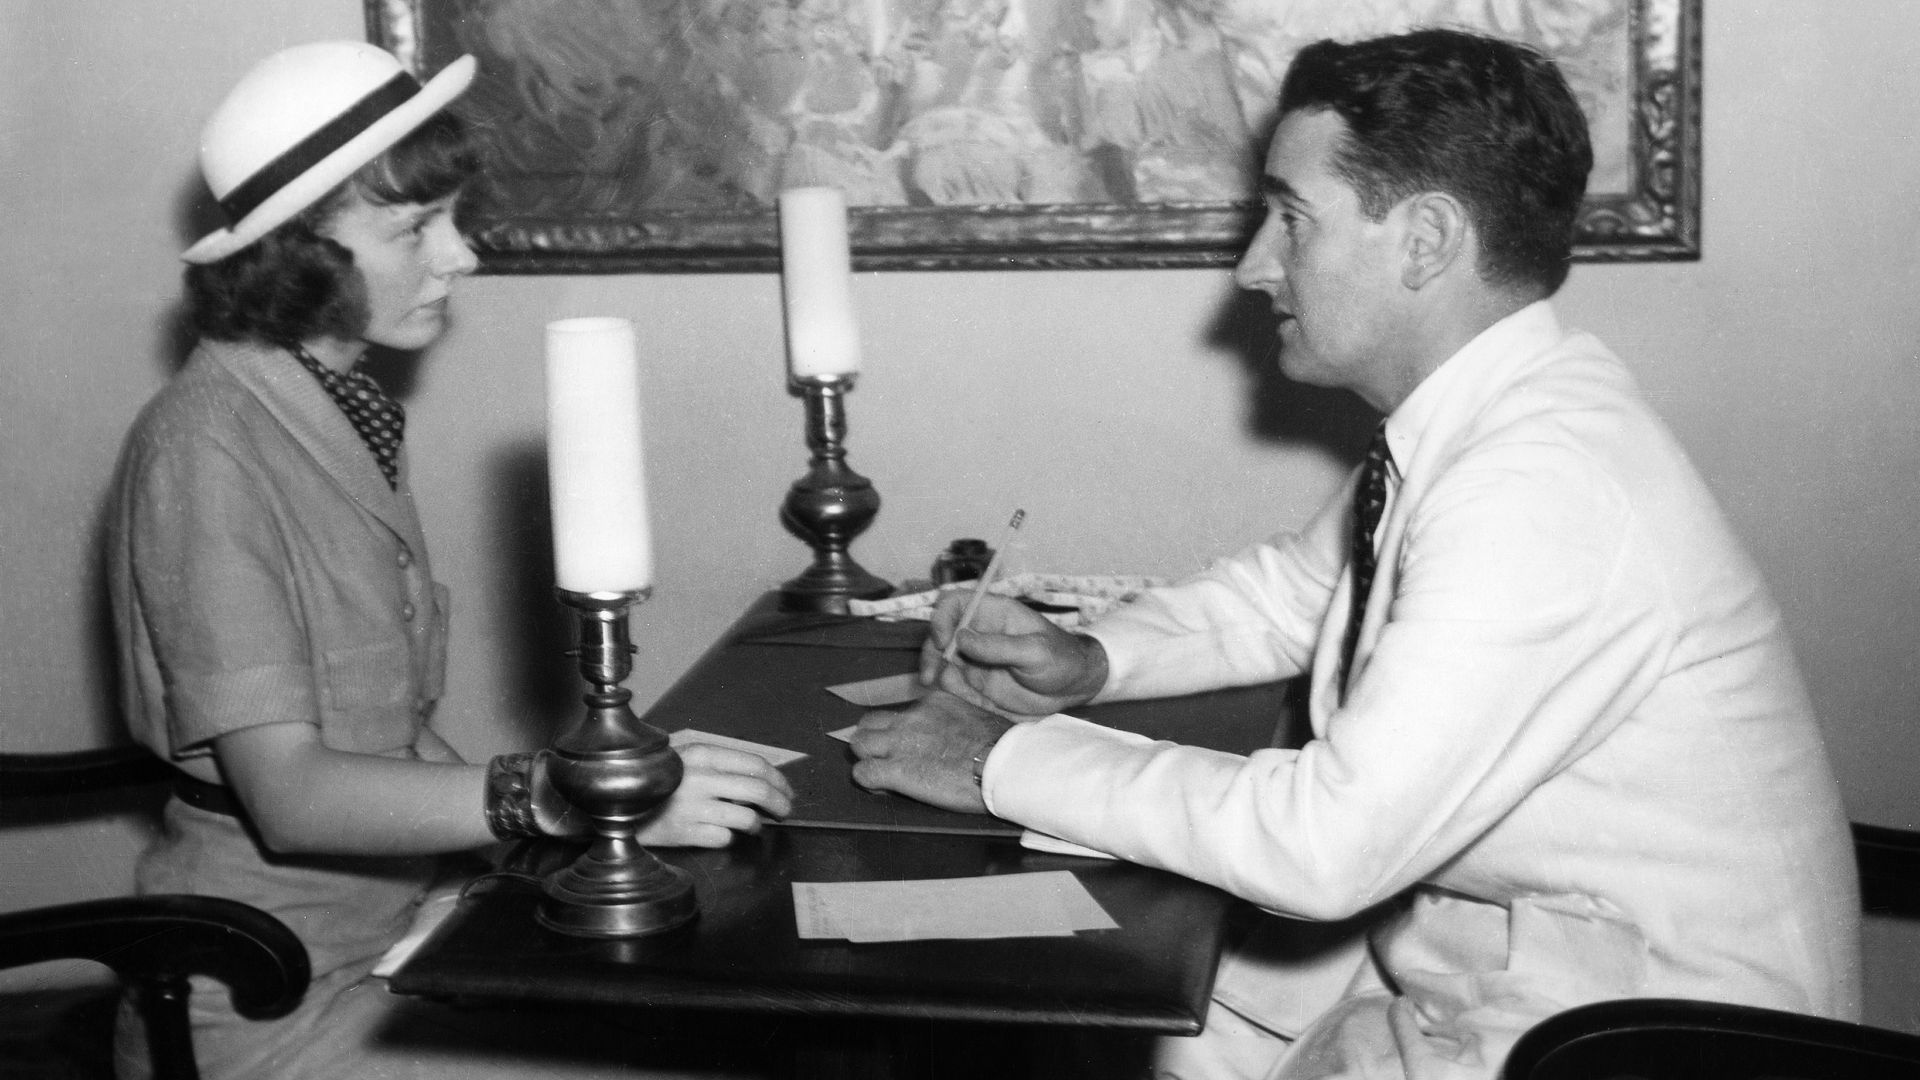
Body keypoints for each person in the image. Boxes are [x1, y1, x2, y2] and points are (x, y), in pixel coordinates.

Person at [849, 27, 1860, 1080]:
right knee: (1149, 1019)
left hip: (1654, 1041)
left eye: (1290, 219)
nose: (1252, 266)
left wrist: (992, 758)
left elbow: (1324, 847)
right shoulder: (1492, 421)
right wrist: (1091, 662)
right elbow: (1297, 593)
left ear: (1424, 240)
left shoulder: (1544, 487)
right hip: (1527, 973)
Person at [106, 41, 793, 1079]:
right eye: (417, 227)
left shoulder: (330, 408)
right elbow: (291, 796)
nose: (463, 256)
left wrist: (591, 812)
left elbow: (390, 731)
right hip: (271, 992)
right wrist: (569, 798)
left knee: (731, 1028)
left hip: (395, 940)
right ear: (296, 250)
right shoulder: (206, 446)